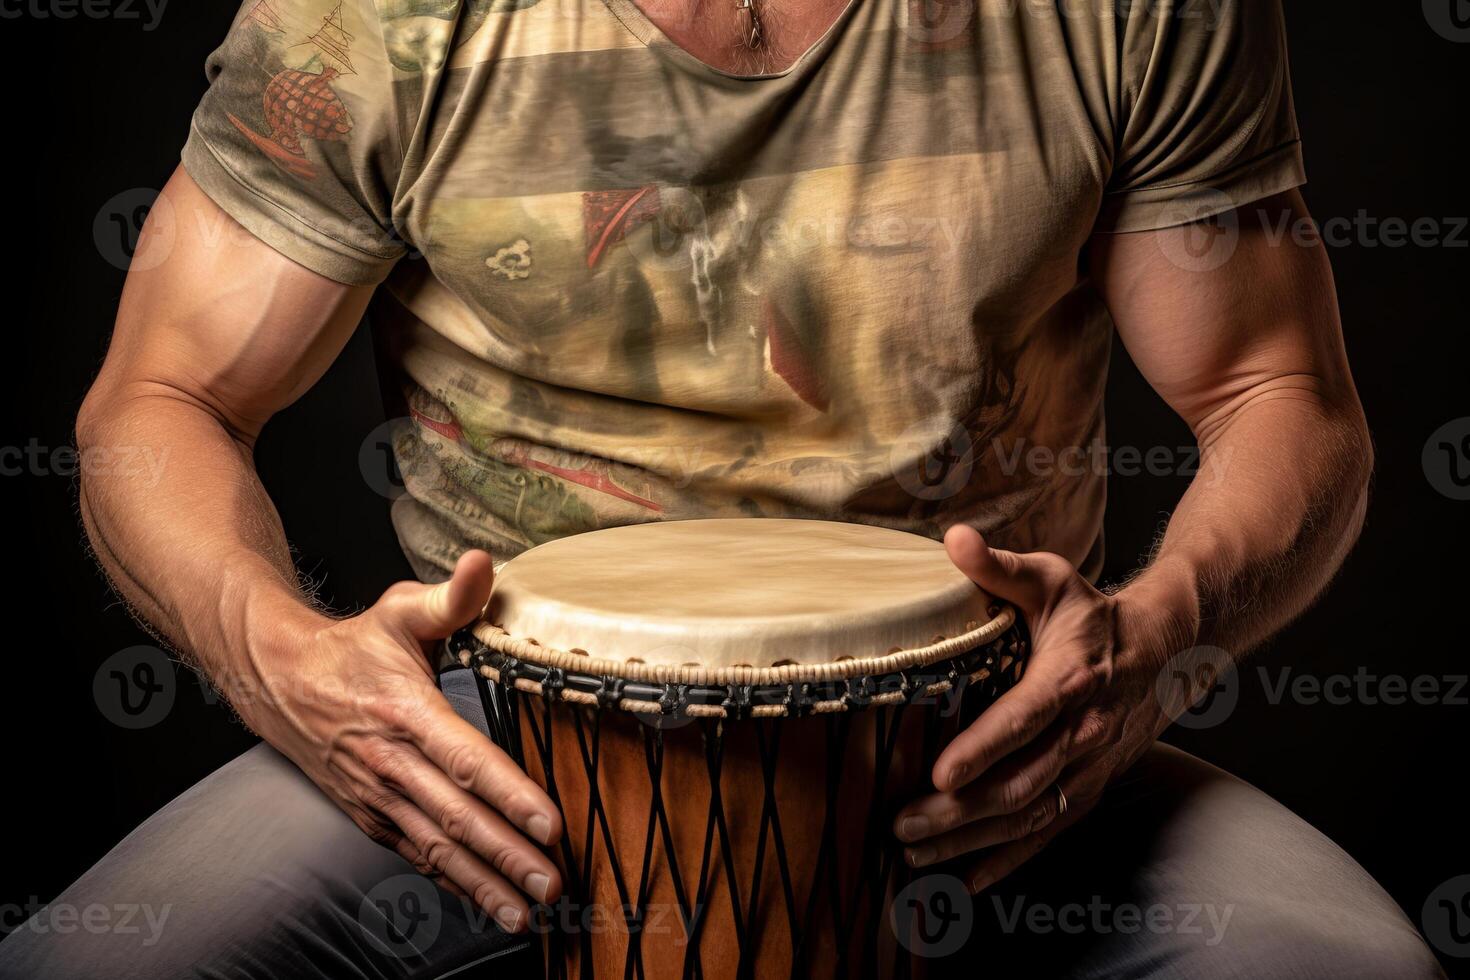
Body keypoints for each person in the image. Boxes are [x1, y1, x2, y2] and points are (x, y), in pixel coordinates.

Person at [0, 0, 1447, 975]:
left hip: (1001, 738)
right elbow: (164, 397)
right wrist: (284, 662)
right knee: (100, 961)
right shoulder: (376, 22)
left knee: (1341, 967)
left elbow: (1278, 398)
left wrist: (1143, 652)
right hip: (488, 742)